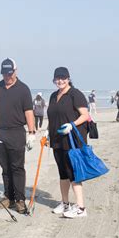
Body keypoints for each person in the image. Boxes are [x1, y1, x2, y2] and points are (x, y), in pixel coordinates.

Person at [0, 58, 35, 214]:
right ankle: (8, 197)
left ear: (15, 71)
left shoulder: (23, 89)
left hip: (16, 132)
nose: (7, 77)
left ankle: (19, 200)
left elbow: (29, 112)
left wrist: (31, 133)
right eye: (4, 74)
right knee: (5, 168)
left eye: (10, 73)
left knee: (17, 167)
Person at [46, 67, 90, 218]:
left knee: (73, 173)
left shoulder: (75, 94)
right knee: (62, 173)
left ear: (69, 78)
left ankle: (81, 208)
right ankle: (65, 204)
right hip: (57, 140)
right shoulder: (53, 96)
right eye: (57, 78)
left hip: (71, 140)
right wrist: (47, 132)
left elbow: (85, 115)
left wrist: (72, 124)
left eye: (63, 78)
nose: (60, 81)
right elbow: (53, 117)